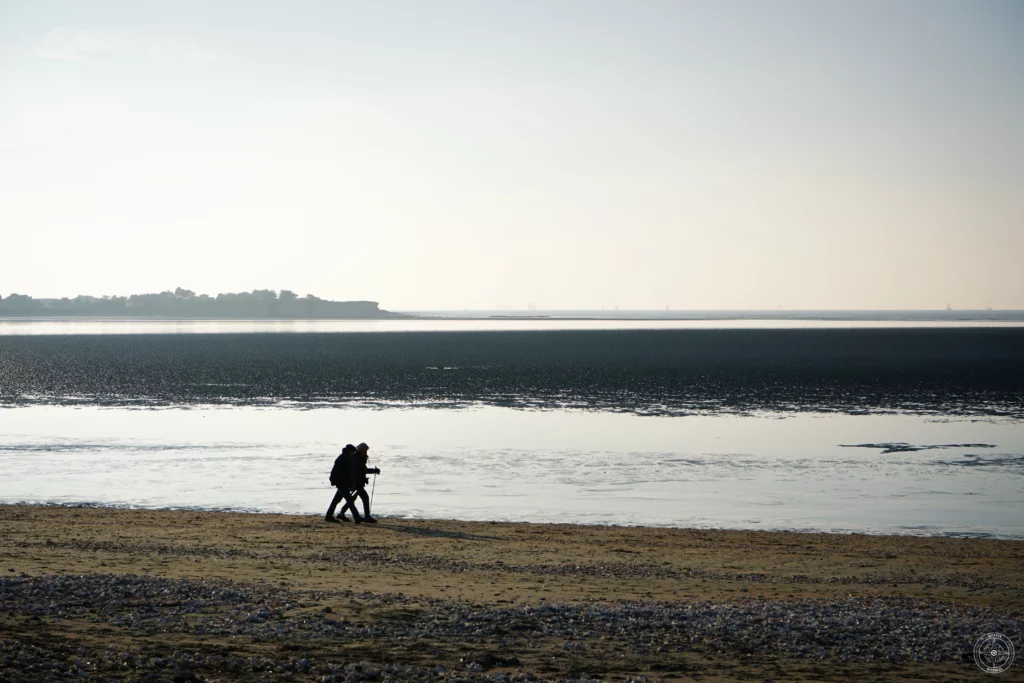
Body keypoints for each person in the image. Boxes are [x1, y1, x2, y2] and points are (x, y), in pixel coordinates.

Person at [340, 442, 380, 523]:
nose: (366, 452)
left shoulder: (358, 457)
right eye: (365, 450)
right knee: (363, 498)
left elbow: (362, 471)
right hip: (358, 482)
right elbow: (362, 470)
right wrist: (374, 471)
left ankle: (342, 512)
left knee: (353, 499)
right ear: (362, 450)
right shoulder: (359, 458)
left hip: (357, 482)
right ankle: (367, 516)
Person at [325, 444, 362, 523]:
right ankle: (357, 517)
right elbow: (335, 471)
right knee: (350, 501)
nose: (354, 453)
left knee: (336, 501)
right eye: (353, 452)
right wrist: (333, 481)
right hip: (342, 484)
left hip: (343, 484)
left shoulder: (346, 458)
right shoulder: (342, 459)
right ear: (350, 451)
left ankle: (328, 515)